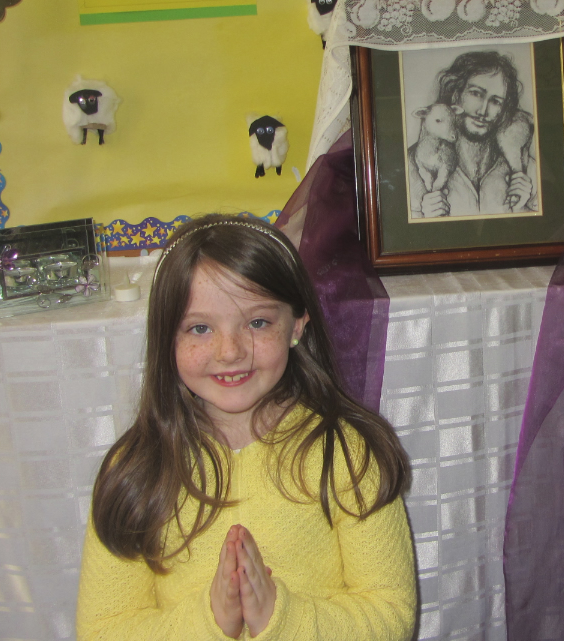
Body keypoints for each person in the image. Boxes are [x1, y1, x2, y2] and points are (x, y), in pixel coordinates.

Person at [76, 214, 416, 640]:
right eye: (200, 328)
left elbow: (391, 615)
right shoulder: (136, 470)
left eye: (257, 323)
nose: (230, 351)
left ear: (296, 326)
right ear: (168, 339)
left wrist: (281, 617)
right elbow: (103, 630)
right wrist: (210, 622)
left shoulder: (349, 454)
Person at [408, 50, 538, 218]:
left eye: (496, 101)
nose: (483, 111)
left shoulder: (529, 170)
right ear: (456, 95)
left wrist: (521, 209)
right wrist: (426, 221)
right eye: (476, 93)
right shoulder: (413, 166)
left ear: (504, 110)